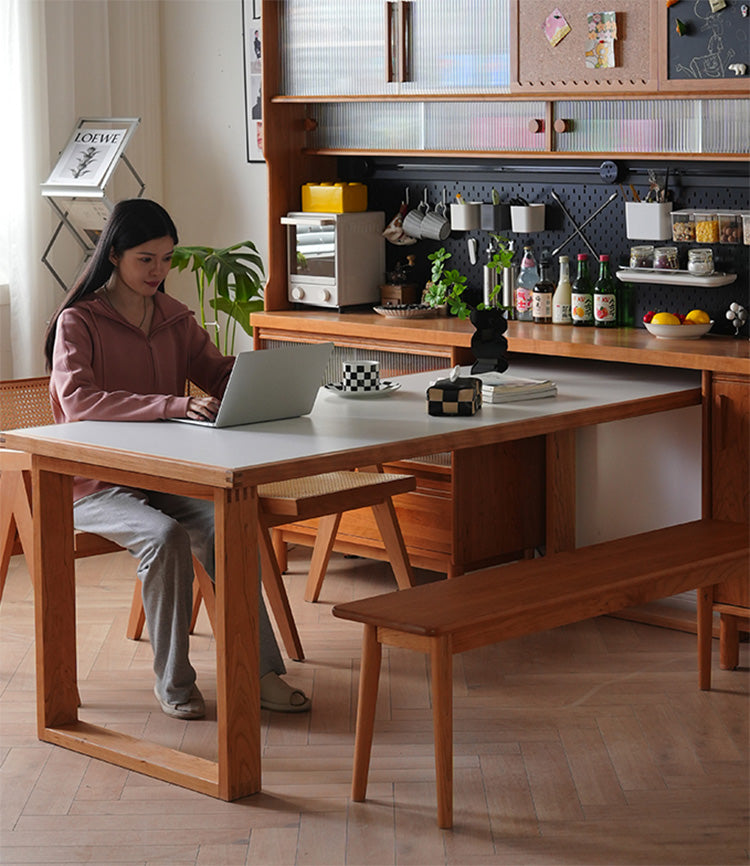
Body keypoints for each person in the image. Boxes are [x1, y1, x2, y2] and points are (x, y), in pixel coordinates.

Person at [43, 198, 311, 720]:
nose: (159, 271)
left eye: (166, 259)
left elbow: (215, 372)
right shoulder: (79, 322)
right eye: (146, 259)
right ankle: (175, 681)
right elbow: (78, 402)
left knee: (226, 525)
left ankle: (260, 673)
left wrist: (272, 375)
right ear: (114, 255)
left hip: (165, 473)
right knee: (163, 538)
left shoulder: (173, 317)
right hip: (92, 483)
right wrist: (175, 403)